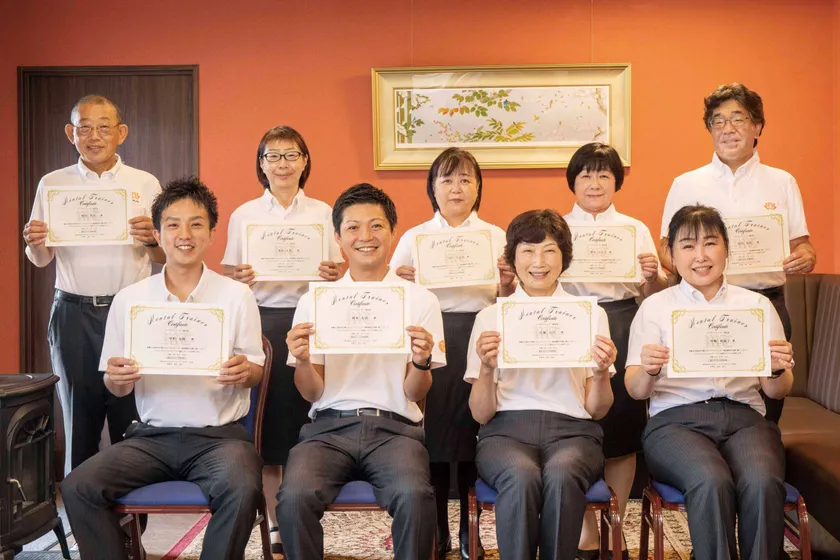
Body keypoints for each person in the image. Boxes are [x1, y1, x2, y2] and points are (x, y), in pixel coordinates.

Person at [61, 177, 266, 560]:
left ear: (211, 232)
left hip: (219, 439)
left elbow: (255, 370)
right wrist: (117, 379)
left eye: (196, 224)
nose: (184, 234)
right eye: (173, 224)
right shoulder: (131, 299)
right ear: (157, 234)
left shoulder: (237, 295)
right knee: (78, 486)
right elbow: (116, 386)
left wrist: (245, 372)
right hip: (151, 439)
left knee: (241, 487)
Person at [277, 183, 444, 560]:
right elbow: (312, 393)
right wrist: (302, 360)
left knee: (415, 496)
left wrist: (421, 361)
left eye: (376, 226)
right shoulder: (316, 300)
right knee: (294, 497)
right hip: (327, 429)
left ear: (393, 232)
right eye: (353, 227)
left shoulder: (420, 299)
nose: (365, 236)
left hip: (395, 431)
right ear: (338, 238)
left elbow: (415, 392)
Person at [627, 204, 794, 560]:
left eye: (710, 243)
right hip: (674, 423)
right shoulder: (654, 307)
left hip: (745, 419)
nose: (700, 256)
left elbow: (777, 390)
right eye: (688, 245)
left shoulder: (756, 306)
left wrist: (777, 370)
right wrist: (648, 370)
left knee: (762, 481)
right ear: (671, 254)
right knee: (711, 480)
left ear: (726, 249)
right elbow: (635, 390)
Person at [22, 94, 165, 475]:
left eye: (104, 127)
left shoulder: (145, 183)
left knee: (131, 420)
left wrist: (151, 239)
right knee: (78, 421)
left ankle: (133, 513)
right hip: (72, 313)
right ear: (71, 134)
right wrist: (33, 242)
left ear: (121, 133)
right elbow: (41, 258)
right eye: (84, 128)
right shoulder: (53, 184)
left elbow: (163, 257)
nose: (94, 136)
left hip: (130, 315)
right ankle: (83, 512)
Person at [658, 83, 815, 423]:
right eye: (718, 121)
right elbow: (665, 250)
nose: (727, 129)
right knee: (703, 401)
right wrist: (696, 268)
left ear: (757, 126)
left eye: (738, 119)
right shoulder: (686, 183)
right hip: (699, 306)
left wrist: (806, 256)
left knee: (767, 407)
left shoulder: (782, 182)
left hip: (766, 303)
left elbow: (802, 244)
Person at [466, 209, 617, 560]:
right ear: (512, 258)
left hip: (574, 433)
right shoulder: (490, 318)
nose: (539, 262)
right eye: (528, 251)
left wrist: (600, 372)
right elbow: (480, 414)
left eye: (549, 250)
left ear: (564, 257)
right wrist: (486, 368)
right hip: (505, 432)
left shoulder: (589, 315)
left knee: (563, 474)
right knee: (520, 476)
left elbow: (597, 410)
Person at [221, 125, 343, 555]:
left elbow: (339, 272)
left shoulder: (325, 213)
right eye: (273, 156)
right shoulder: (244, 214)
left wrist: (333, 273)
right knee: (268, 426)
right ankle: (275, 522)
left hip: (312, 321)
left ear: (305, 161)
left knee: (305, 417)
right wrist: (239, 276)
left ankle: (303, 514)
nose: (282, 164)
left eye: (291, 155)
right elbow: (230, 275)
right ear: (261, 164)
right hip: (263, 324)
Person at [389, 147, 511, 559]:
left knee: (475, 432)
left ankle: (468, 532)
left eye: (465, 180)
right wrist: (401, 281)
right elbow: (390, 296)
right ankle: (438, 530)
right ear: (432, 188)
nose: (456, 188)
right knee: (436, 438)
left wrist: (507, 284)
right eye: (446, 179)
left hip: (481, 337)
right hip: (431, 339)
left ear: (478, 188)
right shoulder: (414, 237)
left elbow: (510, 297)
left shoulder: (495, 236)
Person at [560, 143, 667, 560]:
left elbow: (653, 293)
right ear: (572, 182)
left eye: (604, 175)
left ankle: (615, 525)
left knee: (621, 425)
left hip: (623, 321)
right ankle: (587, 531)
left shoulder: (634, 229)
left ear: (616, 182)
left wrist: (652, 276)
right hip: (571, 323)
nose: (594, 183)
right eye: (585, 175)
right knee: (577, 419)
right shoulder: (556, 228)